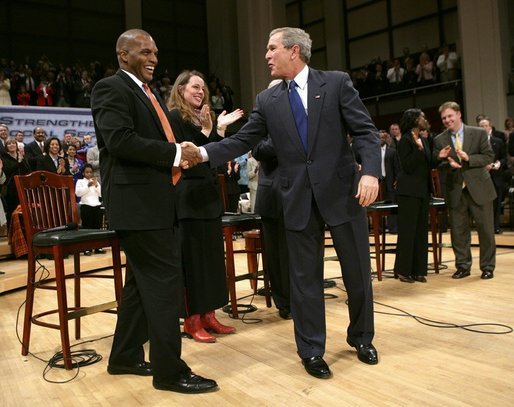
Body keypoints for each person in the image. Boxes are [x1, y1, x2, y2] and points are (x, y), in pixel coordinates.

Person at [196, 27, 381, 379]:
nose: (266, 55)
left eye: (271, 48)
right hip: (296, 199)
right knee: (304, 280)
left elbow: (366, 132)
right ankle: (311, 349)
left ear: (294, 51)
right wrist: (204, 152)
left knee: (357, 275)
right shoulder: (268, 100)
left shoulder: (337, 83)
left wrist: (370, 172)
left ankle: (361, 337)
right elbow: (245, 141)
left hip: (343, 195)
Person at [90, 28, 217, 394]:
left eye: (156, 52)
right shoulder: (110, 88)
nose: (154, 58)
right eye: (144, 51)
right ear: (122, 54)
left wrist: (182, 150)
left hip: (154, 203)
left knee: (140, 286)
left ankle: (125, 355)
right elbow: (120, 140)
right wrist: (176, 154)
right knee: (164, 285)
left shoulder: (147, 93)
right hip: (138, 207)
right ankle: (170, 372)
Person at [166, 69, 243, 343]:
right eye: (195, 87)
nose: (200, 91)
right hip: (187, 198)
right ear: (181, 90)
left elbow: (214, 157)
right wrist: (210, 131)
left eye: (203, 89)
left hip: (208, 198)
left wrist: (217, 131)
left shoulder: (204, 117)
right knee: (193, 263)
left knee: (211, 261)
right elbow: (189, 156)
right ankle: (192, 320)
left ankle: (210, 314)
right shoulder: (174, 117)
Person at [433, 101, 496, 280]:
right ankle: (462, 266)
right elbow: (439, 165)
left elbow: (489, 156)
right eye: (444, 118)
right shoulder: (439, 140)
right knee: (459, 231)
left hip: (479, 188)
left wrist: (469, 158)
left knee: (485, 230)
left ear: (459, 114)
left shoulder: (478, 133)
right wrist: (446, 162)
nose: (447, 120)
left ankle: (488, 267)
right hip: (455, 190)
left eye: (450, 116)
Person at [393, 109, 432, 283]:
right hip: (408, 192)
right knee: (408, 232)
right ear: (414, 120)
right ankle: (403, 271)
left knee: (421, 232)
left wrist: (439, 156)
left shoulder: (423, 139)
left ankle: (418, 270)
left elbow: (428, 162)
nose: (424, 120)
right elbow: (407, 166)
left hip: (422, 190)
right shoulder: (405, 140)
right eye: (421, 117)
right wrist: (418, 150)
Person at [478, 117, 508, 234]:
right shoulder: (476, 143)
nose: (483, 128)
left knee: (496, 201)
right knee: (484, 202)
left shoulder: (498, 141)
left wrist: (497, 164)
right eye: (481, 126)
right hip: (482, 175)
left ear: (490, 127)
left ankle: (496, 226)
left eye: (485, 125)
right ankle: (485, 227)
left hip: (496, 175)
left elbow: (504, 157)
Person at [75, 164, 105, 255]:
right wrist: (88, 186)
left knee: (97, 227)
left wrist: (96, 186)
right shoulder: (80, 181)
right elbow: (78, 193)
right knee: (87, 228)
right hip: (86, 206)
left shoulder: (96, 181)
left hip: (96, 206)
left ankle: (97, 247)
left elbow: (101, 194)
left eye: (91, 172)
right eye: (87, 172)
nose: (89, 174)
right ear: (83, 173)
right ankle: (87, 248)